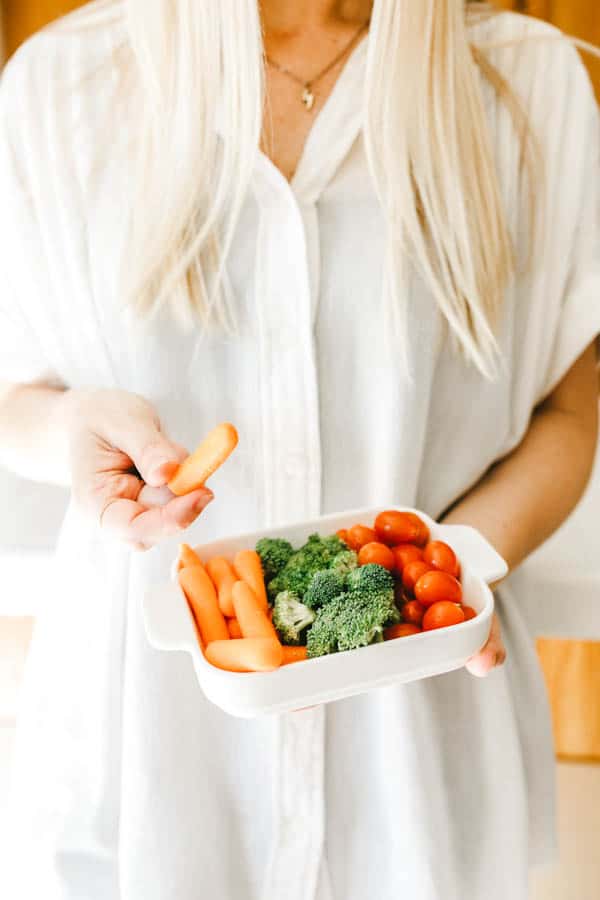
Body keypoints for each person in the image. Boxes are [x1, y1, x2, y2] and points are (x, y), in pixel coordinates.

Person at [0, 1, 598, 898]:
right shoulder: (61, 85)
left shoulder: (531, 82)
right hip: (143, 755)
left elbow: (572, 411)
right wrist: (67, 426)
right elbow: (16, 395)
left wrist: (449, 574)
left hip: (415, 749)